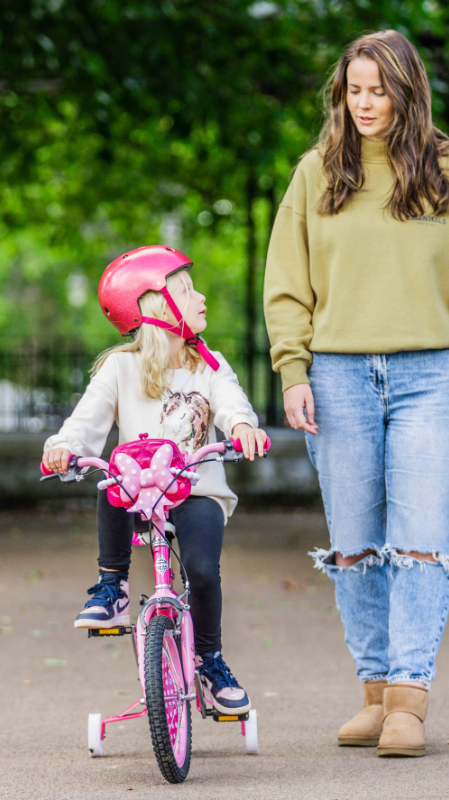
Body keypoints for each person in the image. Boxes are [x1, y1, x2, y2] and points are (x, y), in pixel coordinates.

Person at [263, 30, 449, 756]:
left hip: (432, 376)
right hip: (337, 377)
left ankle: (408, 698)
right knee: (354, 547)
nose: (366, 103)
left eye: (381, 90)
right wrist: (293, 371)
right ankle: (374, 691)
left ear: (408, 92)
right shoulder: (316, 174)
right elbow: (287, 287)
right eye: (355, 89)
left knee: (422, 543)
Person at [42, 245, 269, 715]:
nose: (201, 297)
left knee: (203, 570)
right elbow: (86, 423)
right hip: (139, 494)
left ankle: (209, 660)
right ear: (158, 307)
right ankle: (113, 586)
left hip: (196, 490)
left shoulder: (206, 364)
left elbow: (230, 402)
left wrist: (243, 427)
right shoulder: (119, 368)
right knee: (110, 479)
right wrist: (65, 447)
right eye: (187, 290)